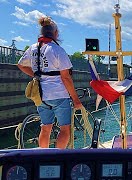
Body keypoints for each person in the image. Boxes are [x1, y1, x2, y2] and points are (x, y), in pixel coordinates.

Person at [18, 17, 83, 149]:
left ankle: (44, 156)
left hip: (41, 96)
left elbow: (21, 65)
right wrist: (76, 100)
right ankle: (57, 158)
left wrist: (37, 75)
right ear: (56, 33)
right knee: (65, 129)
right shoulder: (58, 50)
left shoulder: (33, 49)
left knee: (46, 127)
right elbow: (66, 78)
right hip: (59, 95)